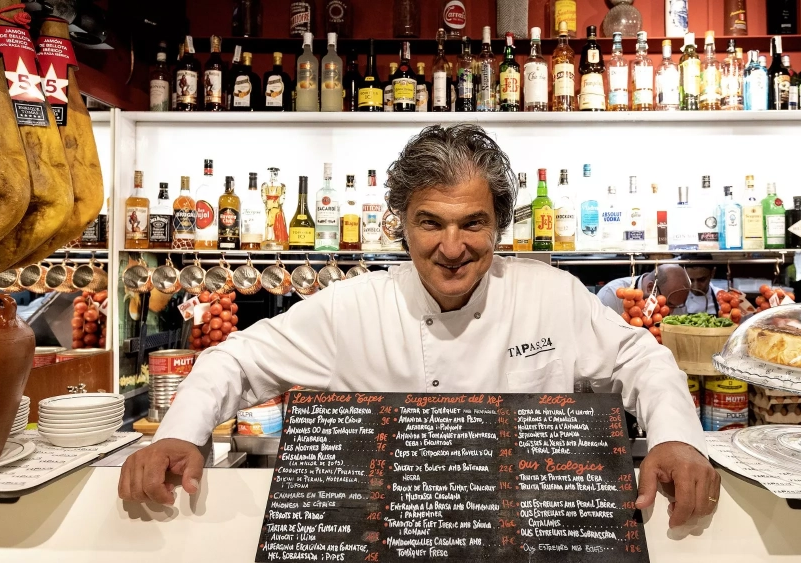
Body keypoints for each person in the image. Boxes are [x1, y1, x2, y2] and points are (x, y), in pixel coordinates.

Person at [118, 125, 720, 528]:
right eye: (431, 223)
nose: (452, 248)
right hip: (384, 536)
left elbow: (641, 358)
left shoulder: (550, 295)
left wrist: (675, 437)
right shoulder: (352, 308)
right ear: (400, 225)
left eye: (473, 224)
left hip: (524, 535)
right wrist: (180, 433)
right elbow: (235, 359)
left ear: (498, 226)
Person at [597, 265, 693, 315]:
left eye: (677, 306)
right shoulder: (611, 295)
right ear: (650, 288)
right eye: (668, 304)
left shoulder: (678, 303)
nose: (670, 311)